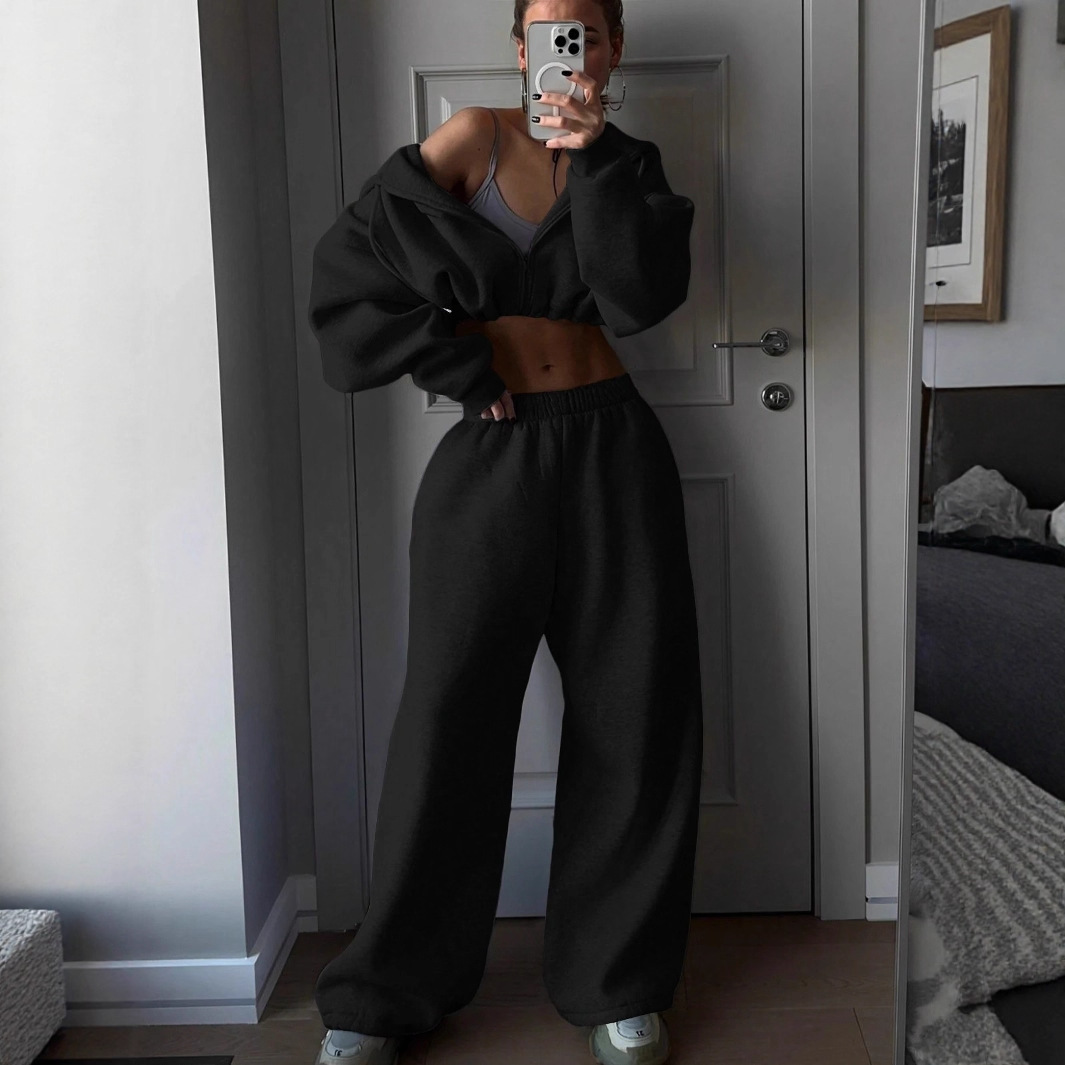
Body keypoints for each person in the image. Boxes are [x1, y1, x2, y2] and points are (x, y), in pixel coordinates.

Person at [310, 2, 702, 1063]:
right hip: (489, 458)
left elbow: (638, 298)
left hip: (615, 448)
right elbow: (346, 275)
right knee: (449, 717)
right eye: (546, 30)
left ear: (610, 49)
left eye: (586, 31)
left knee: (635, 710)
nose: (565, 49)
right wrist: (451, 363)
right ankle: (381, 995)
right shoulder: (472, 138)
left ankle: (619, 981)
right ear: (521, 49)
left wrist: (598, 158)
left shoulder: (631, 163)